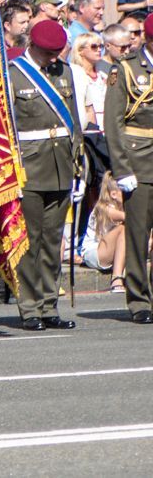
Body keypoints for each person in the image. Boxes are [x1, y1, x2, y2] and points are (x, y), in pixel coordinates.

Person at [11, 20, 82, 331]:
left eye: (57, 53)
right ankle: (29, 308)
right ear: (35, 47)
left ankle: (49, 304)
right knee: (30, 242)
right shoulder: (12, 74)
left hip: (60, 165)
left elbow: (74, 121)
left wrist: (78, 163)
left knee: (54, 241)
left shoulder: (63, 71)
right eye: (49, 53)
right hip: (29, 166)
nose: (54, 59)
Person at [104, 17, 153, 323]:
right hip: (139, 160)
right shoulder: (125, 68)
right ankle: (139, 300)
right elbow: (114, 122)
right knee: (137, 234)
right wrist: (122, 169)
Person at [80, 173, 126, 293]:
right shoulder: (103, 208)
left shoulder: (122, 207)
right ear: (113, 194)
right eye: (124, 191)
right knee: (123, 229)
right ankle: (116, 278)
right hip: (93, 252)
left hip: (109, 251)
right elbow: (127, 217)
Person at [69, 32, 107, 129]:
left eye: (101, 46)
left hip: (108, 125)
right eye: (94, 47)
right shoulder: (75, 74)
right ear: (80, 50)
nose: (99, 50)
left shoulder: (104, 73)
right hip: (89, 127)